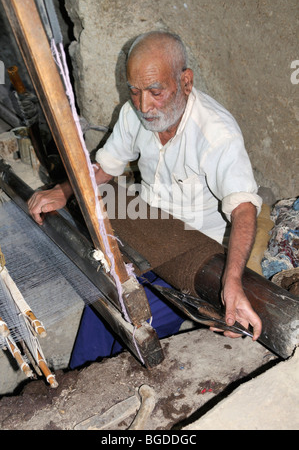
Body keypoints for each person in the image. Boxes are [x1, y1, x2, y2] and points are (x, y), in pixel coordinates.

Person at [28, 31, 263, 350]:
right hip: (148, 234)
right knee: (106, 305)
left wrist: (232, 280)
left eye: (155, 91)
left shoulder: (216, 135)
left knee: (134, 327)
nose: (144, 105)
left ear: (186, 82)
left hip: (193, 253)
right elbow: (106, 168)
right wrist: (63, 190)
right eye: (134, 92)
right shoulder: (133, 114)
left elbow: (244, 208)